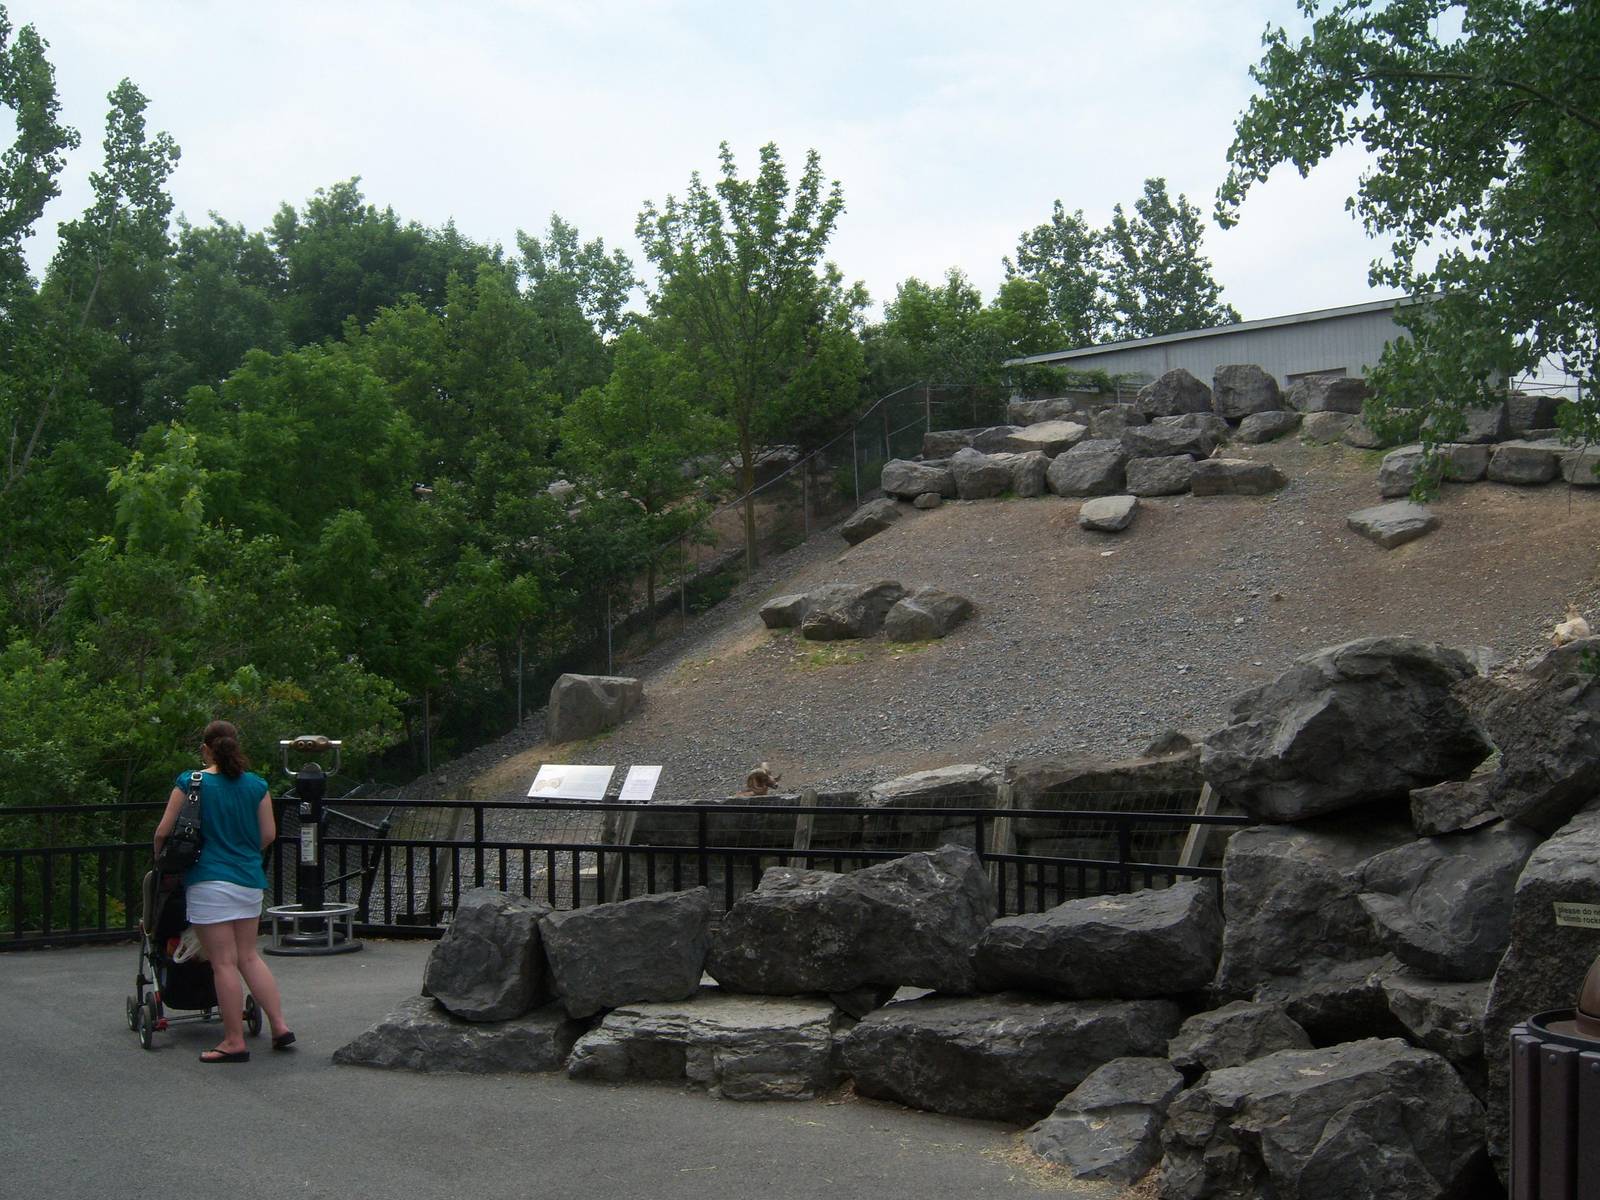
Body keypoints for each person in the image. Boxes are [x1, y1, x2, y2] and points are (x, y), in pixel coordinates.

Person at [154, 719, 294, 1063]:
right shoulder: (257, 786)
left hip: (209, 880)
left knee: (223, 962)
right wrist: (242, 853)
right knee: (249, 956)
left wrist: (162, 862)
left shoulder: (192, 782)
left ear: (205, 749)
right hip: (248, 879)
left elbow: (163, 832)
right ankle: (279, 1026)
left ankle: (233, 1041)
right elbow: (268, 834)